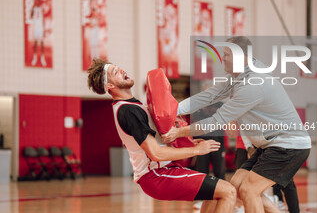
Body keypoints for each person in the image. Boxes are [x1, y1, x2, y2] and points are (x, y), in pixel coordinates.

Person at [162, 36, 311, 213]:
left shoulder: (253, 84)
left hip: (288, 144)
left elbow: (216, 121)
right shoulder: (239, 75)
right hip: (271, 144)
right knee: (237, 185)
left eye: (227, 55)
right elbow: (209, 96)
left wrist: (178, 132)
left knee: (249, 190)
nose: (222, 58)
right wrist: (174, 110)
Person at [87, 58, 236, 213]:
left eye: (119, 67)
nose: (122, 70)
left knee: (213, 193)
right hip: (156, 175)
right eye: (115, 72)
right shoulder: (129, 111)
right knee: (228, 191)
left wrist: (188, 141)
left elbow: (159, 140)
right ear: (110, 85)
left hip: (162, 171)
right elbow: (155, 153)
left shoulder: (134, 106)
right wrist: (197, 151)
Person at [31, 0, 46, 66]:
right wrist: (33, 6)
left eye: (39, 0)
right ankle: (35, 57)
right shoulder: (34, 9)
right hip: (36, 28)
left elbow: (43, 19)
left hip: (41, 28)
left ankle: (42, 58)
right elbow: (31, 16)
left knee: (42, 43)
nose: (38, 1)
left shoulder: (41, 9)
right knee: (36, 43)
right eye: (37, 0)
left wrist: (44, 30)